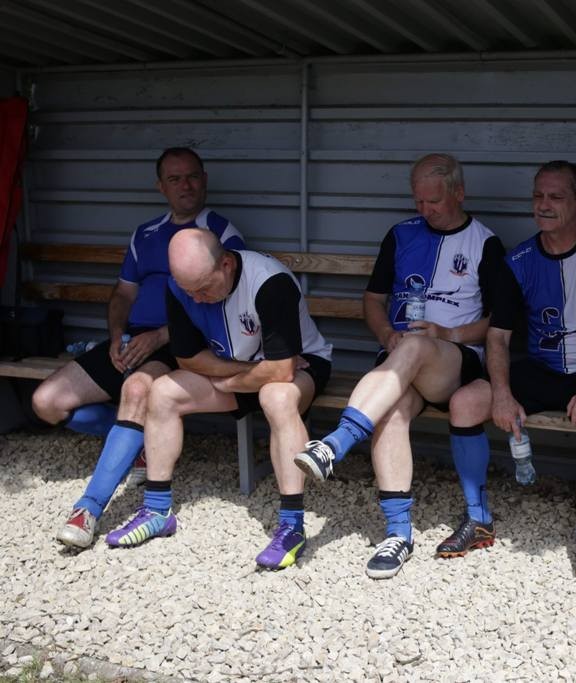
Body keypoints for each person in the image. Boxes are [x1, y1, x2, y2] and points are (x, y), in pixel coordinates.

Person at [292, 153, 506, 579]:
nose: (425, 210)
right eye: (418, 201)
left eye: (434, 202)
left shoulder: (485, 243)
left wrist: (448, 333)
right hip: (399, 359)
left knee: (418, 344)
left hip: (452, 363)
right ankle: (398, 533)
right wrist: (385, 333)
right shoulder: (401, 235)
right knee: (390, 411)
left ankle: (336, 442)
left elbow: (499, 323)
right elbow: (373, 301)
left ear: (459, 193)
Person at [35, 148, 245, 549]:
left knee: (135, 390)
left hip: (180, 342)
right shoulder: (145, 234)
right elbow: (123, 294)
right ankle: (140, 441)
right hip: (131, 339)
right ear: (160, 187)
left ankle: (87, 509)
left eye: (192, 177)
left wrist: (162, 336)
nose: (185, 186)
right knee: (47, 402)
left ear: (205, 179)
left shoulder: (221, 232)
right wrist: (116, 336)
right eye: (174, 179)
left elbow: (223, 299)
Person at [442, 160, 576, 578]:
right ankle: (477, 519)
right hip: (543, 368)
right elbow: (498, 337)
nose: (544, 205)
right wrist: (502, 394)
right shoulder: (519, 259)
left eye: (556, 197)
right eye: (538, 196)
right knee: (465, 403)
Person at [104, 229, 332, 569]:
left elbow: (282, 370)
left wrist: (232, 378)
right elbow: (188, 359)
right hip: (236, 371)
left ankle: (291, 526)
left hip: (302, 367)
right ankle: (157, 510)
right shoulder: (181, 285)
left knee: (276, 397)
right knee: (163, 392)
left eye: (203, 289)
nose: (196, 299)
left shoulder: (269, 282)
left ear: (226, 264)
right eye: (189, 291)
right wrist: (240, 375)